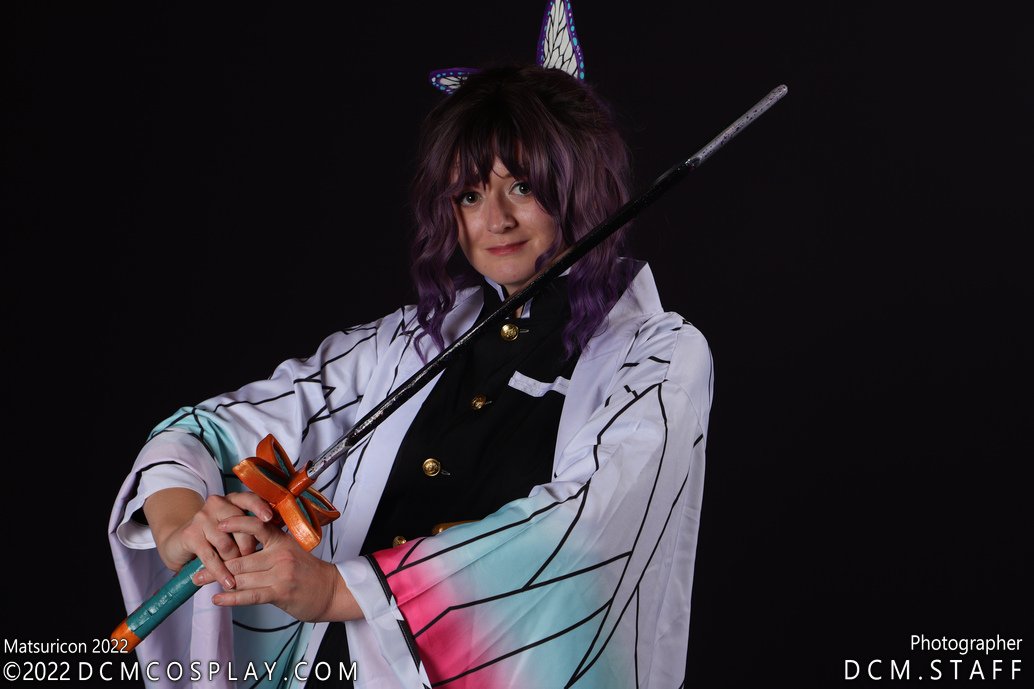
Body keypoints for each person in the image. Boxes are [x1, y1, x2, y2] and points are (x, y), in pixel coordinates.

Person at [110, 64, 713, 689]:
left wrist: (337, 591)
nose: (495, 220)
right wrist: (183, 527)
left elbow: (586, 528)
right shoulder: (410, 341)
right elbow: (201, 431)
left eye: (523, 187)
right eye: (470, 195)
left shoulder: (660, 356)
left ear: (583, 188)